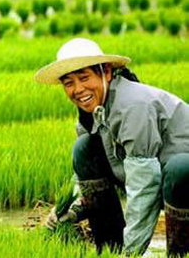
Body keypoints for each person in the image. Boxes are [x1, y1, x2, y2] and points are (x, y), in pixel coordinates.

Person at [35, 38, 189, 257]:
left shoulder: (133, 106)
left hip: (180, 183)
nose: (78, 89)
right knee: (85, 148)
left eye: (84, 77)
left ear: (106, 72)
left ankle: (180, 254)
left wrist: (131, 253)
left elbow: (144, 185)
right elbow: (86, 173)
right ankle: (108, 249)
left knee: (180, 168)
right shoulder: (93, 114)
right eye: (68, 83)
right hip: (165, 183)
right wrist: (68, 207)